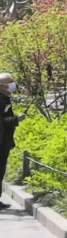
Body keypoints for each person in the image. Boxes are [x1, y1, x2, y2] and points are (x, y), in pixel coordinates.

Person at [0, 73, 18, 210]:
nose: (13, 84)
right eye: (10, 82)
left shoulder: (5, 98)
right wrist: (16, 120)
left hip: (4, 140)